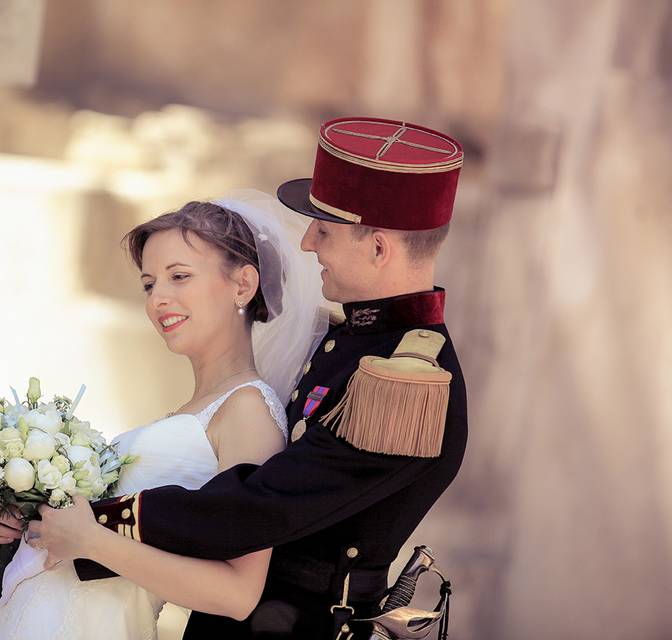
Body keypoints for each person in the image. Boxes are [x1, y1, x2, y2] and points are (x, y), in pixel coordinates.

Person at [31, 116, 470, 639]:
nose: (307, 244)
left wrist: (97, 526)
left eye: (325, 230)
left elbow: (262, 508)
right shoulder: (349, 341)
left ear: (379, 248)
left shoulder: (404, 381)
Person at [0, 191, 329, 639]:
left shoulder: (249, 414)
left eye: (179, 276)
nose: (159, 298)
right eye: (149, 283)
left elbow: (238, 594)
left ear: (243, 285)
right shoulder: (192, 410)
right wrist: (25, 516)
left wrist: (90, 541)